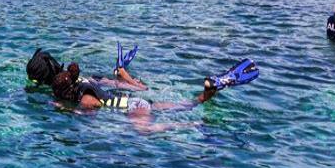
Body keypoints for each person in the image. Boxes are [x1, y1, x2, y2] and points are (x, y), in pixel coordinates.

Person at [51, 58, 259, 134]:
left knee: (145, 130)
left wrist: (68, 109)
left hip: (133, 108)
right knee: (183, 105)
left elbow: (91, 110)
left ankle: (194, 126)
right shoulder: (84, 82)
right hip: (135, 101)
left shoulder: (84, 98)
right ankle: (206, 93)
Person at [26, 44, 148, 93]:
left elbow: (144, 90)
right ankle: (120, 73)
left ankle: (122, 72)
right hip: (95, 79)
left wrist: (134, 83)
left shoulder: (61, 84)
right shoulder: (60, 80)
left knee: (140, 88)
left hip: (95, 81)